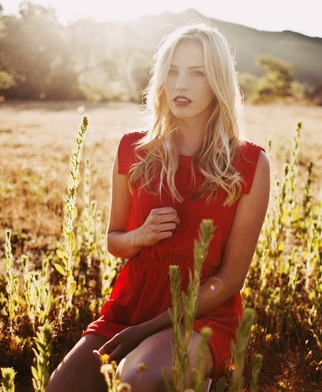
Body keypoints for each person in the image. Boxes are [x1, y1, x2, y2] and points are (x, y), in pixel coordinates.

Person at [46, 21, 270, 392]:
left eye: (196, 73)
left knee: (137, 378)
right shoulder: (133, 148)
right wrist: (140, 235)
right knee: (60, 388)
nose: (180, 84)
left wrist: (146, 331)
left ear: (218, 81)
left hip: (201, 315)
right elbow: (115, 241)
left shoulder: (249, 163)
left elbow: (231, 279)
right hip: (131, 305)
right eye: (172, 71)